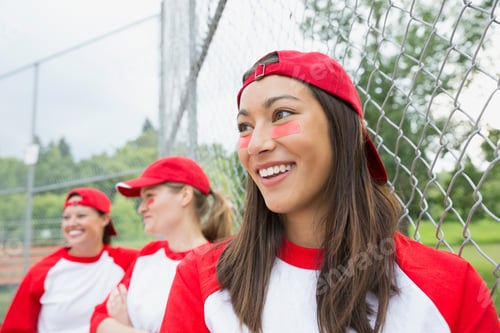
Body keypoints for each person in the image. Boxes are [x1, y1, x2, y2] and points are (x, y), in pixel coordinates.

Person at [160, 50, 500, 333]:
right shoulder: (201, 279)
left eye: (281, 114)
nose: (257, 145)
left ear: (344, 132)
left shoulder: (452, 287)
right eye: (245, 127)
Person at [90, 156, 234, 333]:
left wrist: (125, 327)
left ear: (185, 195)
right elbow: (98, 319)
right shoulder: (148, 254)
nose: (141, 208)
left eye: (149, 196)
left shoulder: (216, 261)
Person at [0, 187, 139, 333]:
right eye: (66, 217)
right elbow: (15, 328)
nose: (72, 223)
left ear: (105, 219)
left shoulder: (130, 261)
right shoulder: (42, 272)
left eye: (81, 215)